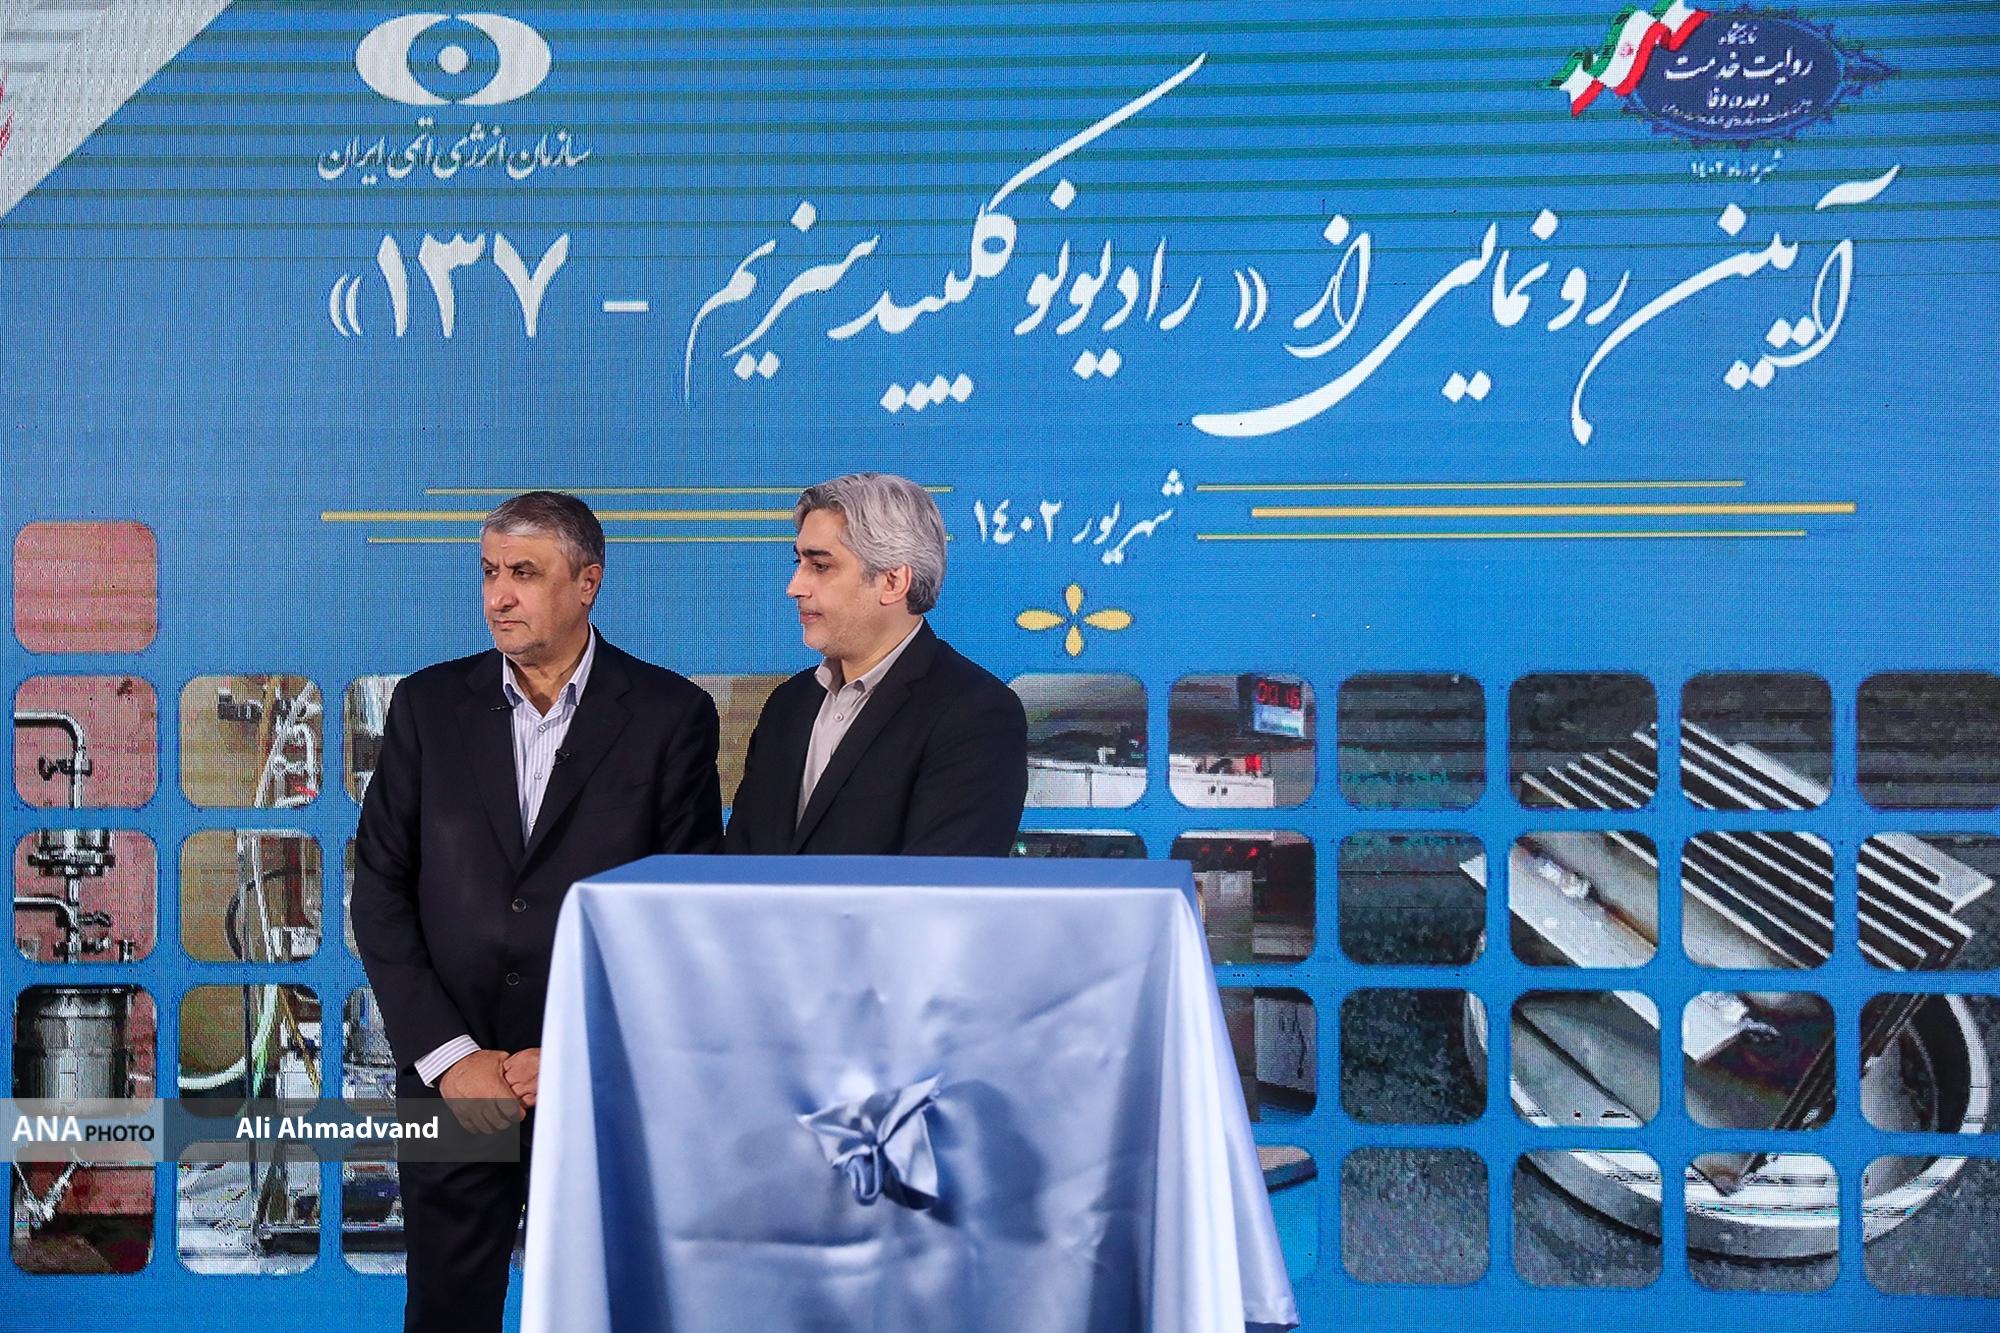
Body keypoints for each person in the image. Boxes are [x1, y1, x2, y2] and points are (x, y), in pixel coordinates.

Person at [352, 490, 721, 1333]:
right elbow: (379, 888)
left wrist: (577, 1054)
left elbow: (681, 915)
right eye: (489, 572)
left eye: (523, 572)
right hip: (456, 1085)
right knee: (446, 1308)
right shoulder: (427, 706)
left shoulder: (670, 716)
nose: (498, 596)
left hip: (597, 1082)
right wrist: (452, 1059)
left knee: (607, 1307)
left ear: (588, 582)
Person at [724, 472, 1026, 855]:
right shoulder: (787, 705)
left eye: (820, 566)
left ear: (893, 582)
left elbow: (940, 883)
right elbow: (739, 864)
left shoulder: (975, 713)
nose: (794, 586)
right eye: (798, 562)